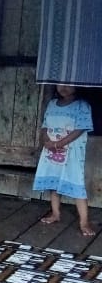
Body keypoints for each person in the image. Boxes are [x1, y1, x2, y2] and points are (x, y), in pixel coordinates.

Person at [34, 84, 94, 236]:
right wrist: (46, 140)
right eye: (61, 83)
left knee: (77, 184)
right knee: (54, 183)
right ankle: (55, 213)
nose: (64, 87)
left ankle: (84, 221)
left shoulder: (82, 106)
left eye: (69, 84)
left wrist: (59, 143)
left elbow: (80, 128)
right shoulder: (52, 104)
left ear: (79, 85)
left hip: (71, 153)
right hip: (51, 151)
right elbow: (44, 126)